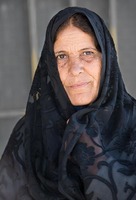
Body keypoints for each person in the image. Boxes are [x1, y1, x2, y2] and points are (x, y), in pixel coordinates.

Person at [0, 6, 136, 200]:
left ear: (106, 59)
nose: (75, 69)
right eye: (61, 56)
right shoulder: (28, 132)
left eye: (87, 53)